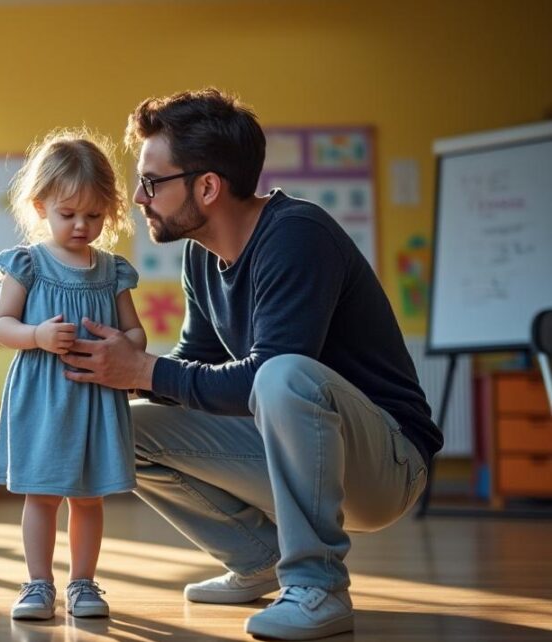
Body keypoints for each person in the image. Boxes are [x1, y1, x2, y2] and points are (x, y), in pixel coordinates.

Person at [59, 89, 442, 641]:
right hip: (300, 446)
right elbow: (196, 366)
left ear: (207, 187)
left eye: (152, 181)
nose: (139, 197)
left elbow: (267, 373)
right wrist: (108, 374)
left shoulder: (297, 235)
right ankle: (257, 557)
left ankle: (317, 586)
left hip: (387, 463)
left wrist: (140, 369)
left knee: (283, 373)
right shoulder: (202, 256)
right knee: (121, 428)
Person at [0, 129, 144, 621]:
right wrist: (36, 335)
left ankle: (83, 583)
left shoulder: (113, 270)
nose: (81, 225)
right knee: (41, 495)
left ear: (109, 212)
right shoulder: (28, 264)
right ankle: (38, 583)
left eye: (94, 216)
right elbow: (1, 326)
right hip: (42, 397)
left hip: (94, 397)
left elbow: (135, 333)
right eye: (69, 213)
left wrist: (123, 346)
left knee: (89, 498)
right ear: (41, 207)